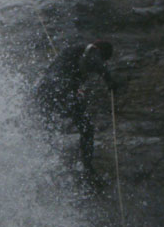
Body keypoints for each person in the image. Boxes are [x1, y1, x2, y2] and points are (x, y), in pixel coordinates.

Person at [33, 40, 119, 182]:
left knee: (49, 126)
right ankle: (87, 169)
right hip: (59, 88)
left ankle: (46, 162)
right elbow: (96, 62)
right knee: (86, 128)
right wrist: (109, 80)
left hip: (43, 92)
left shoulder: (71, 54)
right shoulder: (91, 49)